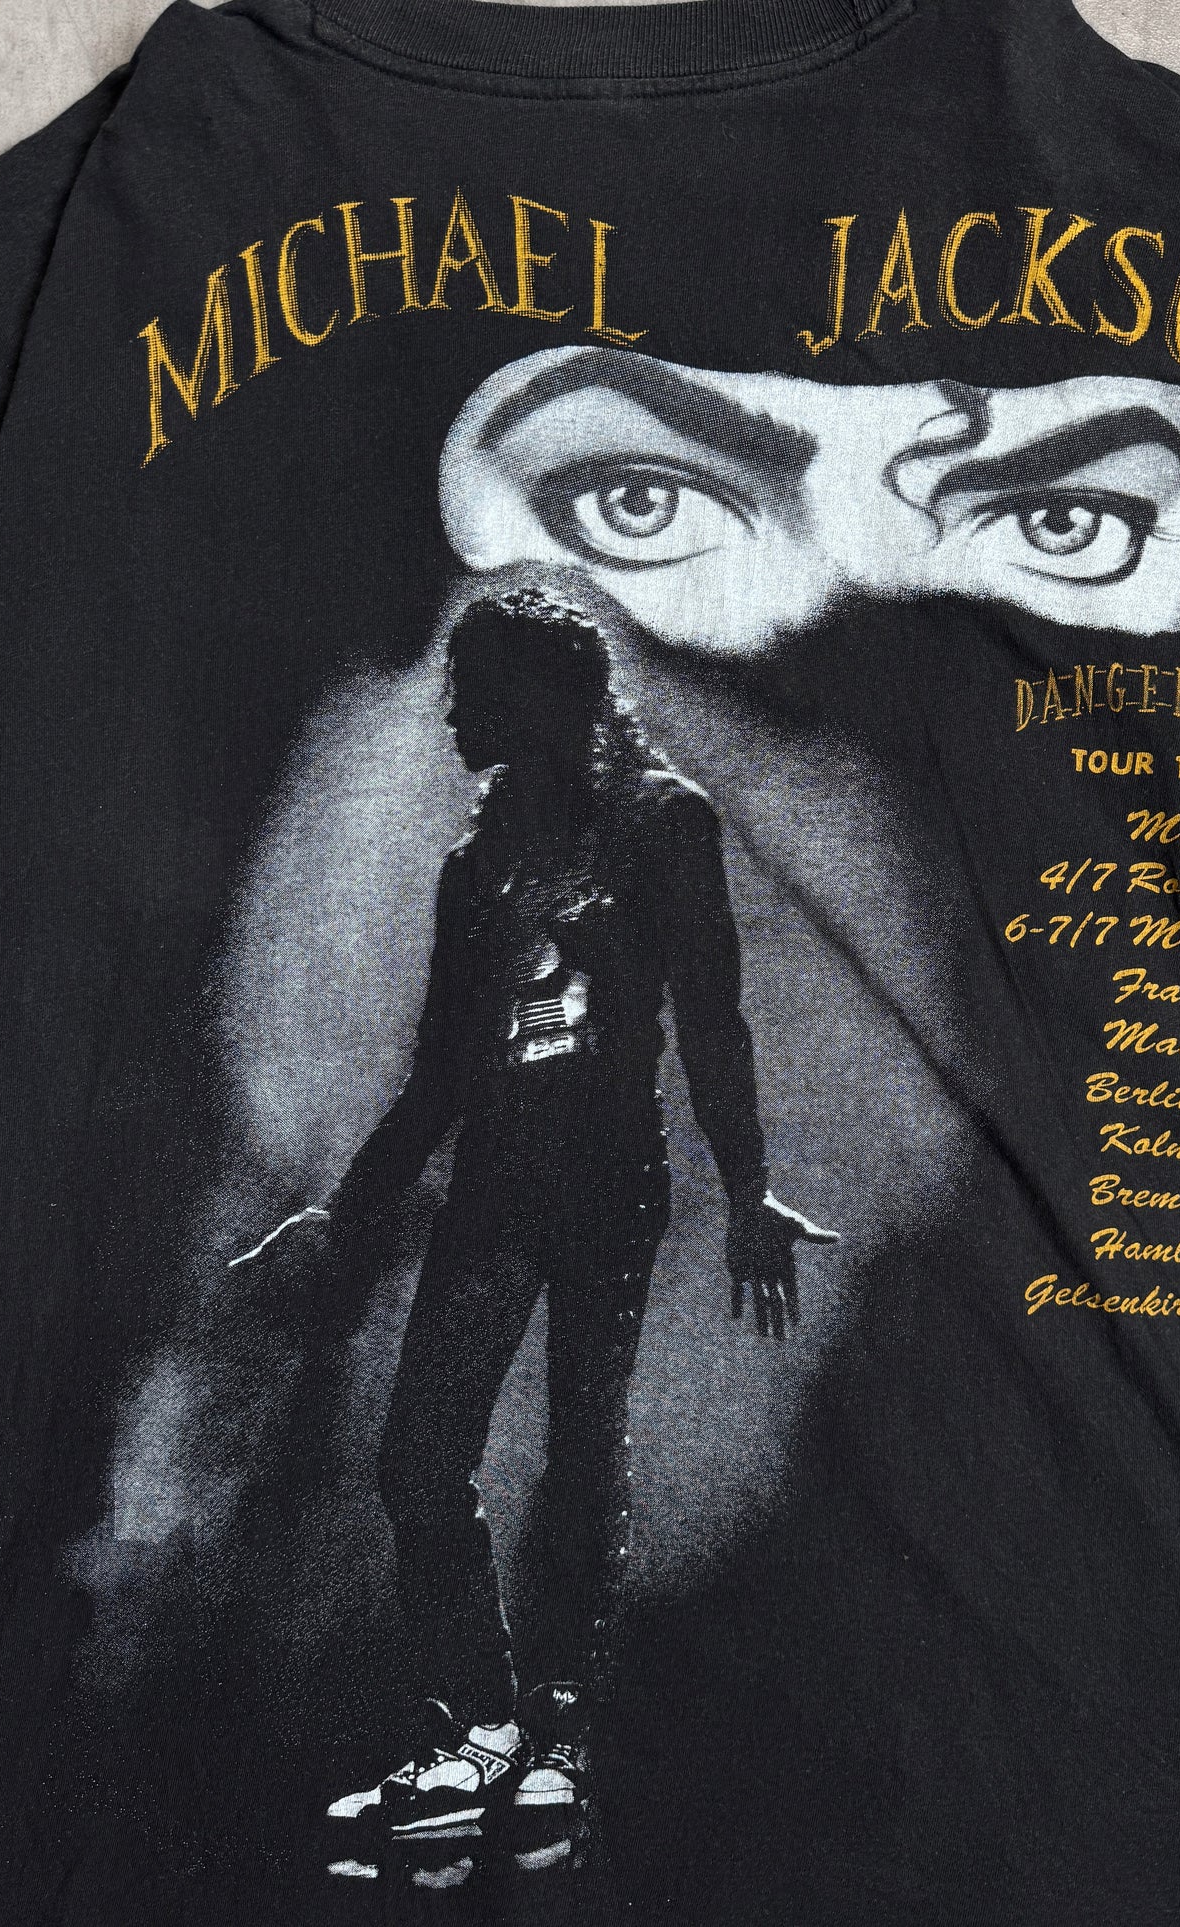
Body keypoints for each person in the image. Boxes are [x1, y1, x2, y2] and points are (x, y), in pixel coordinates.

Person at [262, 587, 835, 1879]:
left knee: (581, 1455)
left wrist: (746, 1190)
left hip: (607, 1191)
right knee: (419, 1466)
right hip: (493, 1195)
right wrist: (346, 1215)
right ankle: (477, 1732)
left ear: (540, 696)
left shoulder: (664, 824)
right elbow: (436, 1080)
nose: (450, 713)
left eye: (471, 689)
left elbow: (713, 1021)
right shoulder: (474, 869)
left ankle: (559, 1741)